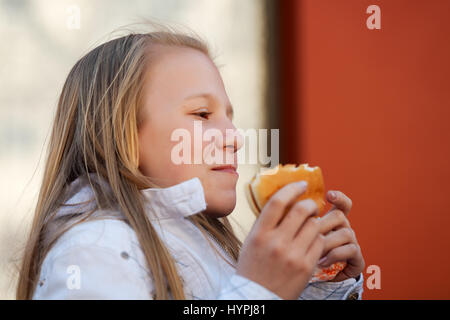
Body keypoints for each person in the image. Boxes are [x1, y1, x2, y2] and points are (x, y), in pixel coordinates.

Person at [16, 26, 365, 300]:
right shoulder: (93, 249)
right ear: (122, 136)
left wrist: (317, 284)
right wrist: (259, 292)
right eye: (202, 114)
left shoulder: (210, 244)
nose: (235, 138)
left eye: (230, 117)